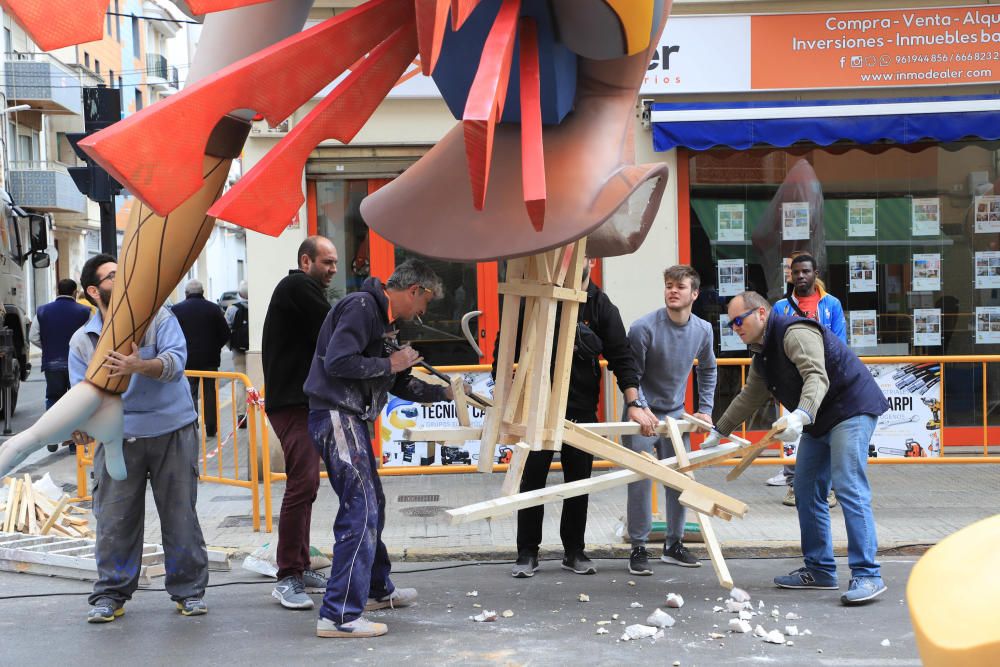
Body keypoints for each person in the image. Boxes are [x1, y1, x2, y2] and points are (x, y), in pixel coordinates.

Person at [304, 259, 468, 638]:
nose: (424, 312)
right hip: (336, 414)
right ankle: (338, 615)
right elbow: (340, 361)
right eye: (426, 303)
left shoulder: (384, 321)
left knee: (371, 502)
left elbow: (397, 383)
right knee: (360, 508)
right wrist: (391, 361)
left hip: (350, 418)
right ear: (415, 291)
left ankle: (376, 590)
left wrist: (443, 393)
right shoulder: (362, 307)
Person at [701, 291, 889, 606]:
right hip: (819, 421)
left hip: (850, 410)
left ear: (760, 313)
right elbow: (750, 395)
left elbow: (817, 376)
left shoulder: (794, 332)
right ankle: (820, 570)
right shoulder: (762, 352)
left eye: (738, 320)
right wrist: (720, 430)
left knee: (848, 487)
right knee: (805, 489)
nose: (734, 327)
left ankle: (868, 574)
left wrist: (801, 414)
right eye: (730, 323)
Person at [69, 254, 208, 622]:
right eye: (113, 276)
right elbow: (81, 396)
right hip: (118, 439)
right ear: (94, 291)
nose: (124, 279)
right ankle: (110, 594)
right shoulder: (82, 341)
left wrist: (138, 366)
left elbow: (176, 363)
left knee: (180, 515)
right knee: (115, 520)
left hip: (172, 430)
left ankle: (189, 590)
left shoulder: (159, 317)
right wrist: (80, 424)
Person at [503, 260, 654, 579]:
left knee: (578, 482)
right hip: (537, 408)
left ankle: (574, 551)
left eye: (580, 256)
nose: (572, 262)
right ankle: (527, 553)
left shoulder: (601, 306)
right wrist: (503, 397)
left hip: (581, 408)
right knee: (532, 482)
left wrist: (634, 402)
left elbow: (621, 357)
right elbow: (505, 348)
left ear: (591, 261)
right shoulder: (540, 297)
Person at [624, 265, 717, 575]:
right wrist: (641, 407)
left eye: (679, 286)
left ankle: (673, 545)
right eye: (668, 285)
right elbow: (630, 375)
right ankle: (638, 547)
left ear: (694, 293)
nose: (672, 290)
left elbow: (708, 368)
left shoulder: (703, 330)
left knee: (679, 480)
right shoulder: (643, 328)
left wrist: (705, 408)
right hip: (641, 414)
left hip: (676, 414)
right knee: (640, 479)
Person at [262, 235, 338, 610]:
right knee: (302, 484)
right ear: (306, 261)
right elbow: (333, 329)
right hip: (292, 404)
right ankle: (288, 575)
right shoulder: (297, 285)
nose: (333, 270)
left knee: (307, 487)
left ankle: (300, 565)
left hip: (303, 402)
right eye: (327, 262)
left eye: (335, 262)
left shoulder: (305, 291)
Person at [770, 253, 846, 508]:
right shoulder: (780, 308)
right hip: (794, 381)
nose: (800, 276)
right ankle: (793, 485)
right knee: (793, 432)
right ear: (790, 275)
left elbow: (839, 343)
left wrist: (832, 377)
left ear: (815, 273)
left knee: (827, 431)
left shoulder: (831, 304)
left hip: (825, 380)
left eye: (805, 271)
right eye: (796, 272)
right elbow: (775, 344)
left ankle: (829, 488)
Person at [29, 279, 91, 451]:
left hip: (51, 363)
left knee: (53, 398)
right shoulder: (85, 311)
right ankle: (73, 445)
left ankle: (51, 436)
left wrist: (47, 347)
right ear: (74, 292)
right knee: (75, 403)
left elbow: (33, 336)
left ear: (57, 290)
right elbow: (91, 336)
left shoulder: (42, 311)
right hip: (77, 364)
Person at [171, 279, 231, 438]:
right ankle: (211, 428)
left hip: (186, 360)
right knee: (209, 393)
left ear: (186, 293)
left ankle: (191, 425)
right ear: (203, 292)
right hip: (209, 360)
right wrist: (214, 347)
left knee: (189, 392)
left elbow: (172, 335)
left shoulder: (177, 310)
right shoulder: (213, 309)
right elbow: (225, 334)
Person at [225, 281, 250, 427]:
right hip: (256, 350)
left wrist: (232, 346)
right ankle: (256, 411)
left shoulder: (232, 309)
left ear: (240, 294)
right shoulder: (259, 306)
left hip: (238, 351)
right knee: (256, 381)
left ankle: (242, 415)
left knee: (241, 382)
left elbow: (226, 329)